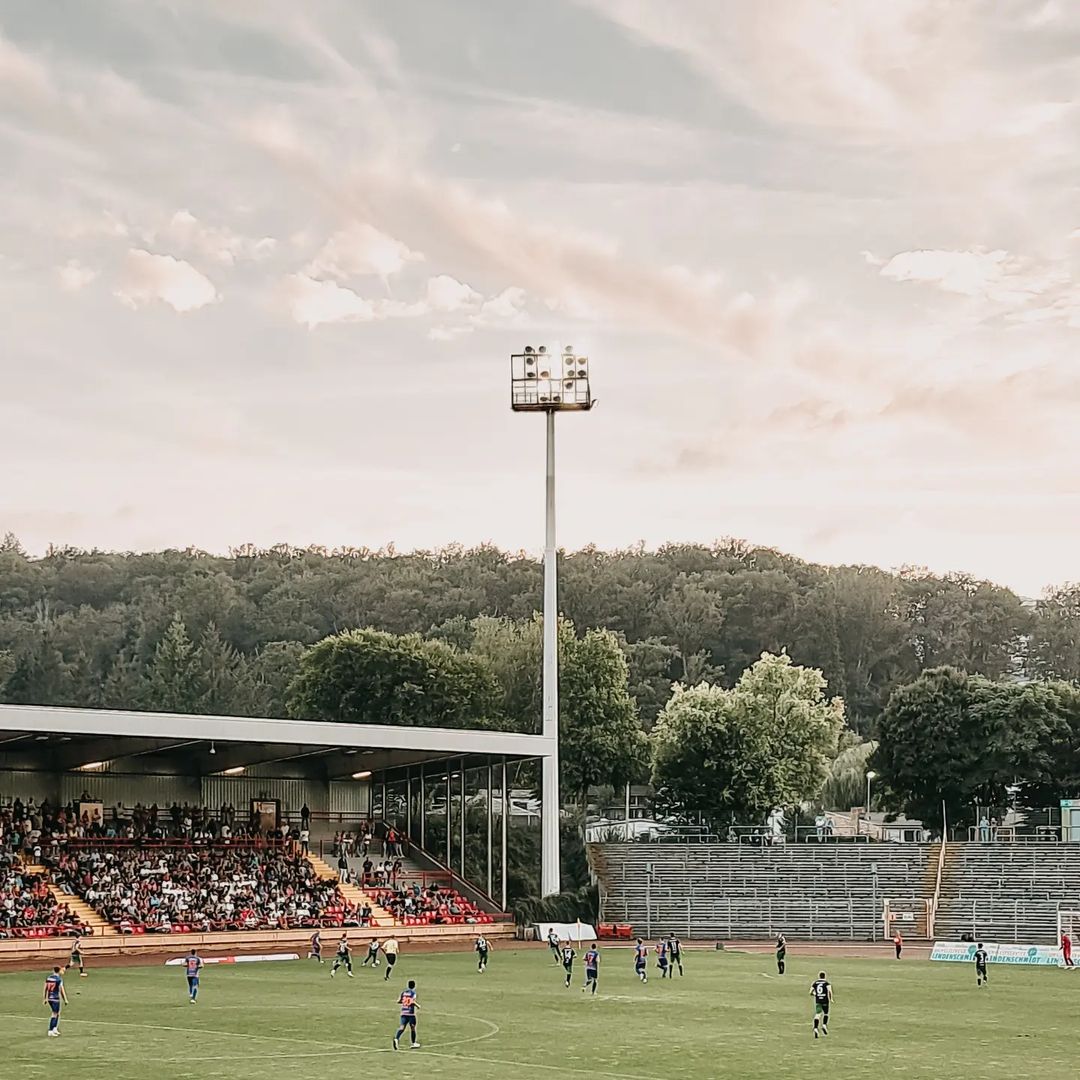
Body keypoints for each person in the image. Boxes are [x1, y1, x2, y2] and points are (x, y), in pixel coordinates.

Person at [392, 979, 420, 1050]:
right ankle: (413, 1043)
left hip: (404, 1012)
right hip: (410, 1013)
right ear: (414, 986)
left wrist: (404, 1003)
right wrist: (417, 1006)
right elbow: (412, 1001)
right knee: (412, 1028)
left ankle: (396, 1039)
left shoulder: (404, 993)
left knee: (402, 1027)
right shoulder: (413, 993)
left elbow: (399, 1001)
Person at [43, 966, 67, 1037]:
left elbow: (45, 988)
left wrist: (45, 998)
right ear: (59, 971)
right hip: (55, 998)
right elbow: (61, 990)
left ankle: (54, 1028)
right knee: (54, 1014)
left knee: (57, 1013)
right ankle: (50, 1030)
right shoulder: (59, 979)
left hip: (49, 998)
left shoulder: (48, 978)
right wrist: (65, 999)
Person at [810, 971, 832, 1038]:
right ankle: (824, 1025)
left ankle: (816, 1028)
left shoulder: (815, 983)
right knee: (826, 1013)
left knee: (818, 1014)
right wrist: (830, 999)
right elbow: (830, 991)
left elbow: (810, 992)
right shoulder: (827, 983)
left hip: (818, 1000)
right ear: (824, 976)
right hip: (825, 1000)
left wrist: (816, 994)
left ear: (819, 976)